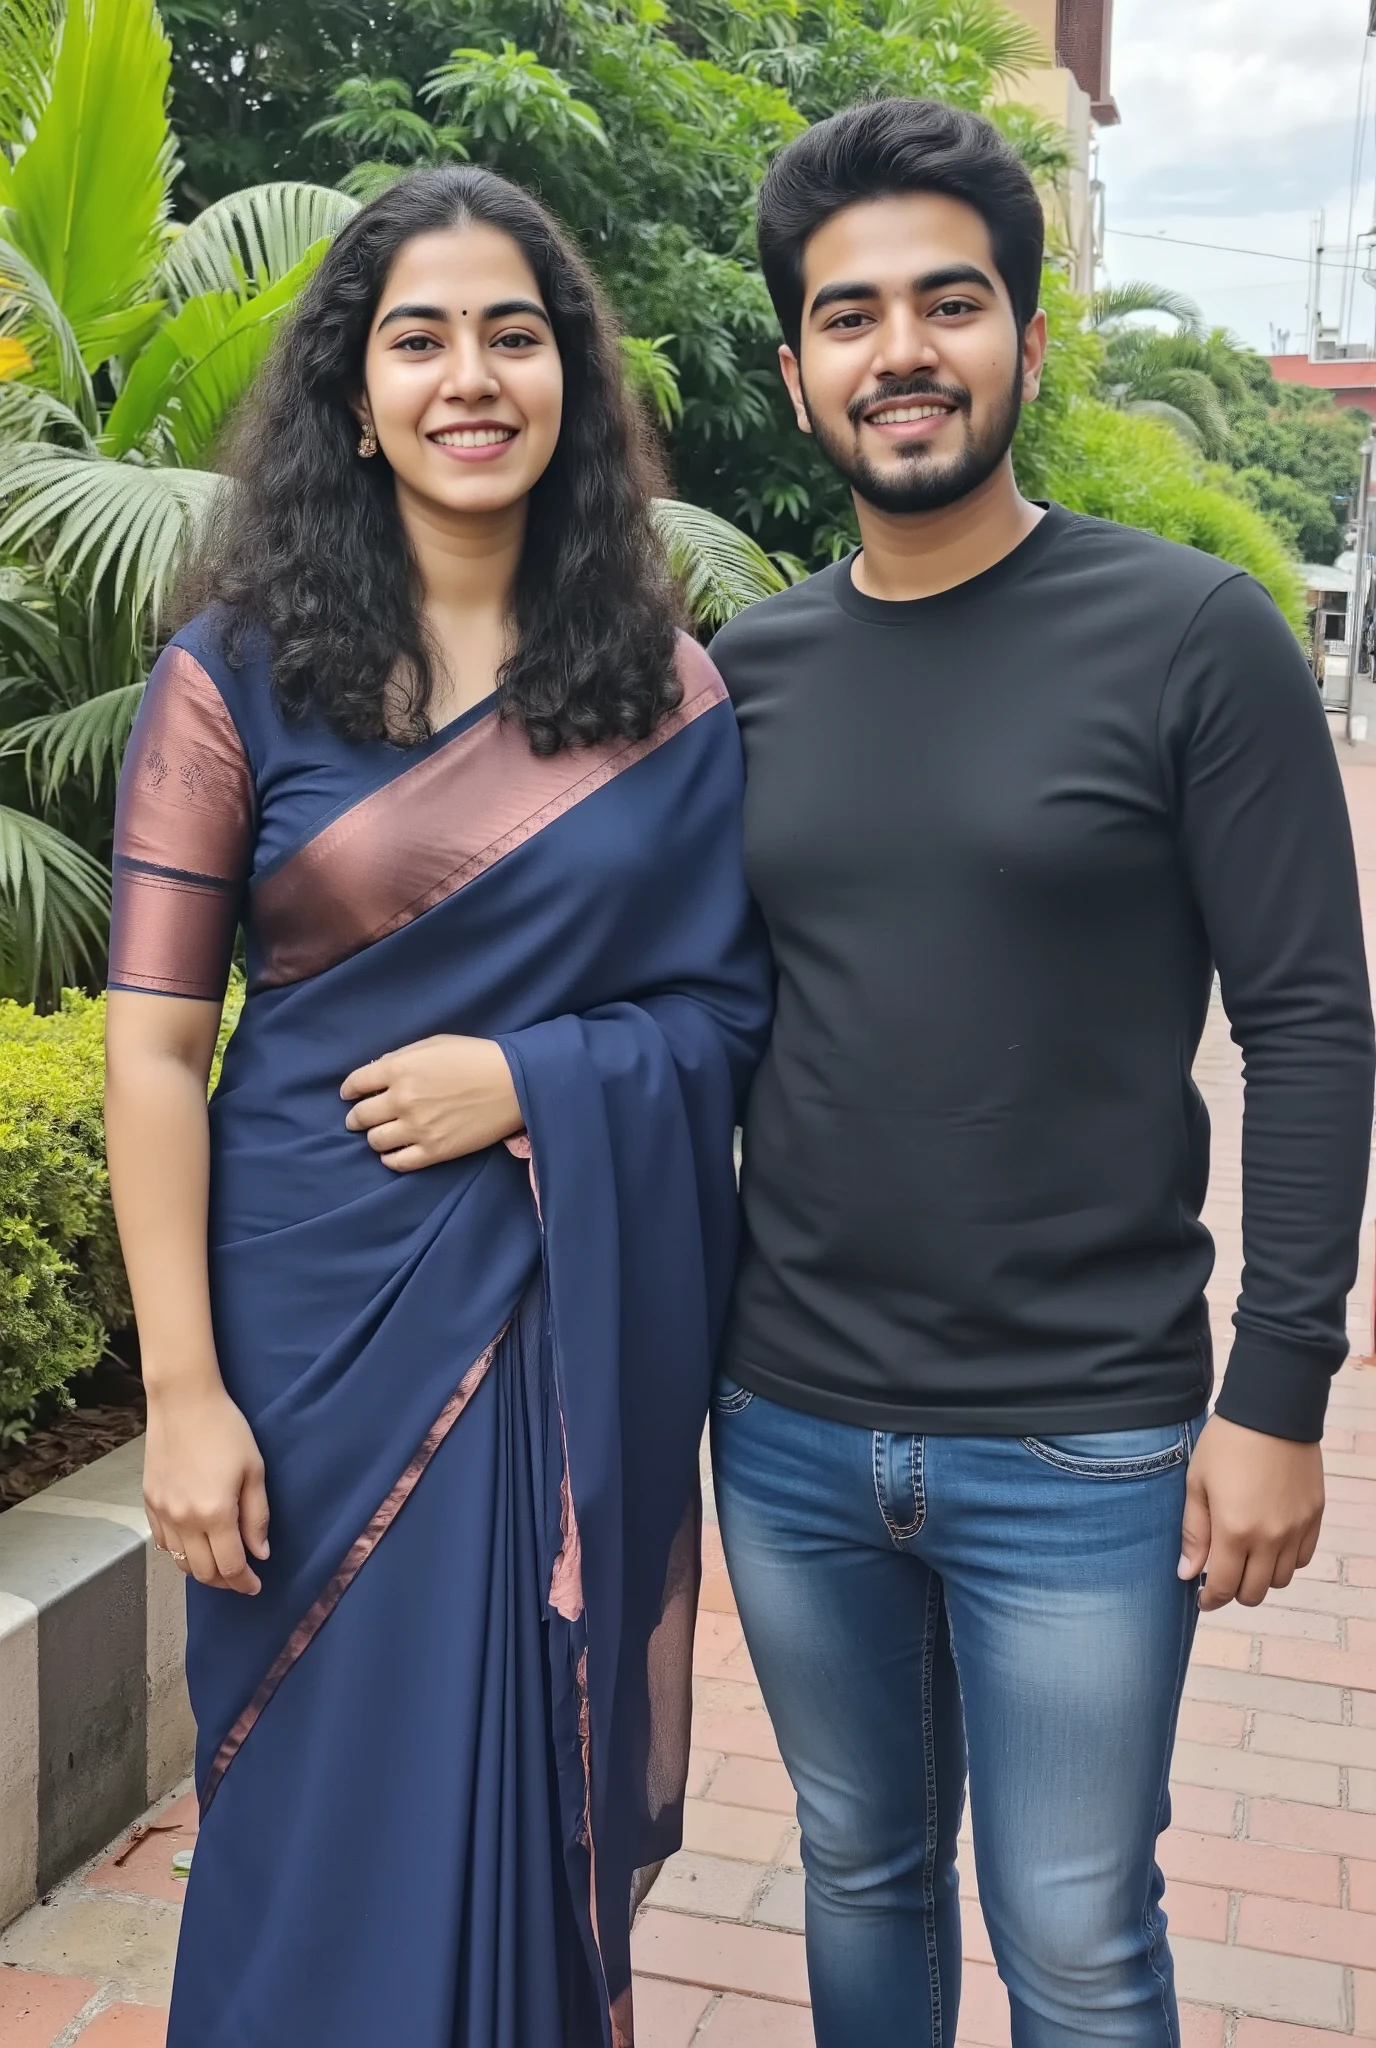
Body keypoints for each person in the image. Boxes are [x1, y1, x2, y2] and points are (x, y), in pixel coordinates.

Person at [707, 98, 1375, 2048]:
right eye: (849, 315)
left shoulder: (1186, 637)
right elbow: (688, 1003)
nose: (898, 349)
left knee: (1076, 1931)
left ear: (1024, 331)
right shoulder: (747, 672)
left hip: (1086, 1435)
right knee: (860, 1868)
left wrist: (1278, 1391)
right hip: (792, 1422)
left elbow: (1311, 1019)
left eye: (947, 301)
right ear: (798, 368)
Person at [103, 165, 771, 2048]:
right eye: (418, 338)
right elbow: (154, 1045)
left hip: (551, 1343)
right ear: (354, 385)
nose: (468, 377)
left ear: (569, 376)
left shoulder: (668, 692)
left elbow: (724, 1018)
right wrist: (180, 1394)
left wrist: (537, 1082)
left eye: (512, 333)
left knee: (524, 1796)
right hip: (303, 1345)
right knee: (304, 1822)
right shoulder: (235, 677)